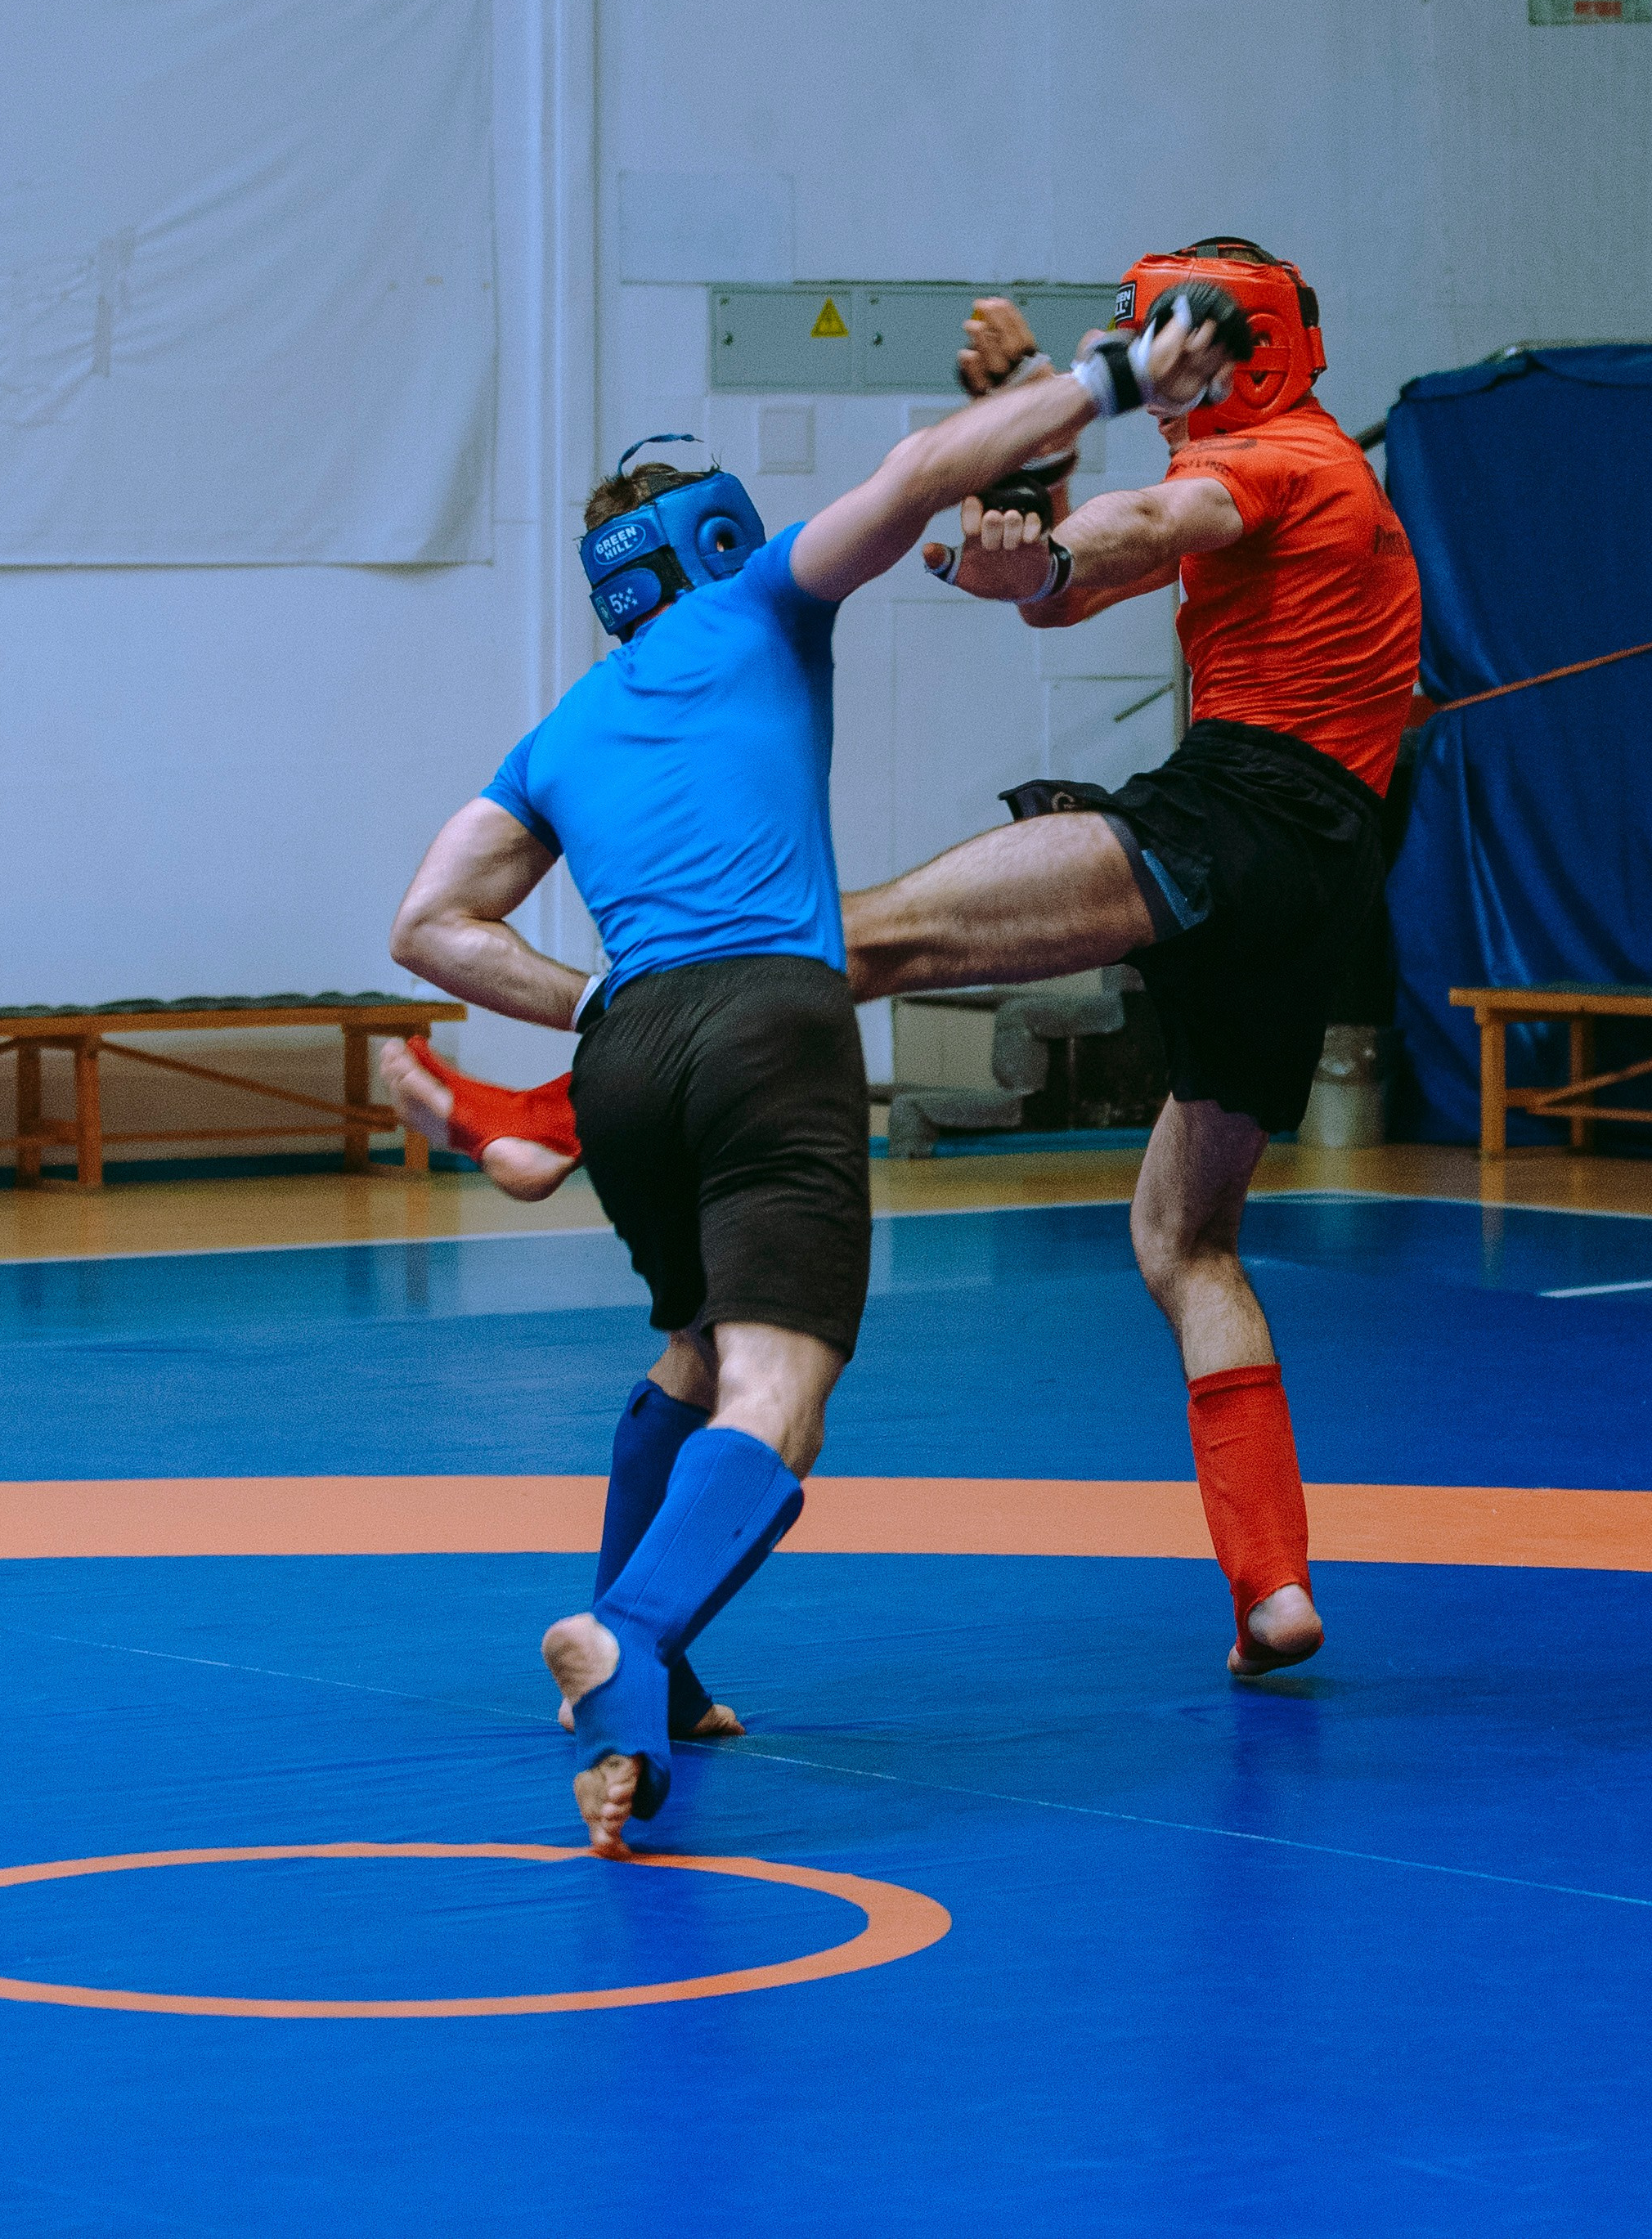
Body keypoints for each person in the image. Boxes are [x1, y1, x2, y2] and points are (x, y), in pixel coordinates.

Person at [392, 241, 1421, 1691]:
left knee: (826, 944)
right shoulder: (1332, 489)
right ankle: (1273, 1588)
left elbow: (1149, 522)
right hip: (1331, 880)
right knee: (1185, 1242)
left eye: (1162, 337)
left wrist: (1062, 511)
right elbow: (1071, 584)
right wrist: (1041, 533)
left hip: (1234, 812)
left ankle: (542, 1118)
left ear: (1225, 347)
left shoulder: (1270, 463)